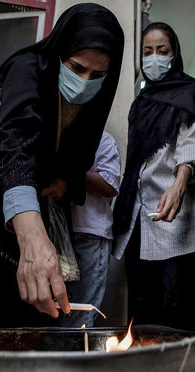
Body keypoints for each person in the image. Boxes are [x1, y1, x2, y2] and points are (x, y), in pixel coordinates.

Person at [0, 3, 124, 328]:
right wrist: (32, 235)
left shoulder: (90, 103)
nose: (85, 82)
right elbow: (15, 142)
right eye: (76, 68)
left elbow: (71, 160)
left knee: (14, 321)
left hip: (13, 222)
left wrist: (66, 183)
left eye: (97, 75)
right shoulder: (26, 68)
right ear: (60, 52)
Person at [113, 22, 195, 332]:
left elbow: (192, 142)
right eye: (147, 52)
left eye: (162, 51)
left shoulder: (188, 92)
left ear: (174, 54)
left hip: (175, 210)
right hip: (139, 214)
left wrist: (179, 184)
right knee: (141, 301)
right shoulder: (140, 105)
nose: (154, 58)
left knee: (175, 300)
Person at [59, 131, 120, 327]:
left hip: (90, 235)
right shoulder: (60, 136)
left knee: (80, 315)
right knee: (59, 313)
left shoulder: (103, 139)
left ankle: (77, 357)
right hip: (61, 236)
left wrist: (69, 175)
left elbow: (110, 185)